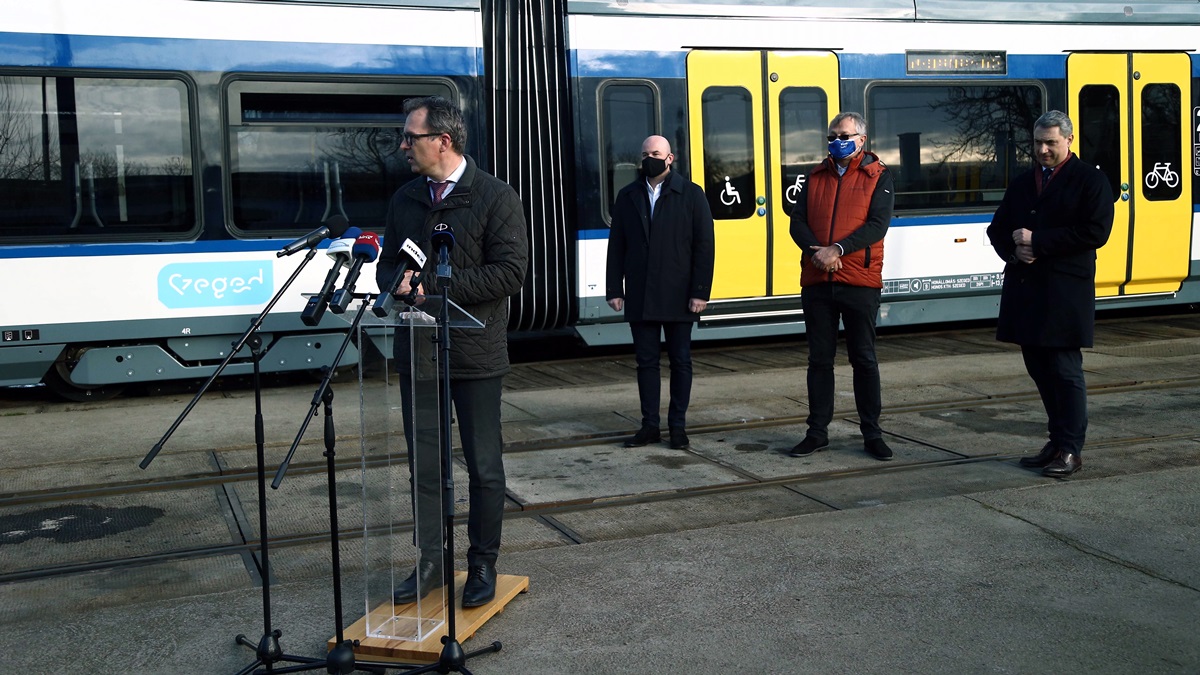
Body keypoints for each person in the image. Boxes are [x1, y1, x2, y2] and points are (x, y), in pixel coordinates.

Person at [375, 96, 528, 607]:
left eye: (410, 137)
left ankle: (482, 565)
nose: (403, 146)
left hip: (475, 353)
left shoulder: (495, 196)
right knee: (424, 465)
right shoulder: (404, 200)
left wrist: (436, 289)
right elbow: (386, 267)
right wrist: (397, 283)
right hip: (417, 351)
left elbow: (510, 273)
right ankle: (432, 563)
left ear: (443, 141)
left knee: (484, 467)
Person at [986, 110, 1113, 478]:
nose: (1042, 149)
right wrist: (1014, 248)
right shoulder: (1025, 181)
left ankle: (1071, 449)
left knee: (1064, 371)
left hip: (1064, 292)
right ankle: (1056, 442)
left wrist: (1038, 241)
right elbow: (998, 228)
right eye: (1038, 143)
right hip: (1027, 291)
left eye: (1050, 143)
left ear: (1069, 141)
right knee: (1039, 368)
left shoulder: (1090, 180)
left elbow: (1095, 232)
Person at [788, 112, 895, 461]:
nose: (836, 141)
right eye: (832, 135)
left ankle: (872, 434)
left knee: (863, 358)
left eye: (844, 135)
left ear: (861, 140)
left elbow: (877, 225)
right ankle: (817, 432)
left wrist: (839, 250)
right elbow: (798, 222)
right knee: (819, 360)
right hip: (818, 279)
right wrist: (817, 252)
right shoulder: (814, 175)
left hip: (859, 281)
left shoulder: (878, 176)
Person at [605, 135, 715, 450]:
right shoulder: (627, 195)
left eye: (656, 153)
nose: (649, 158)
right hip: (640, 293)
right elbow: (617, 246)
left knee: (681, 361)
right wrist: (615, 288)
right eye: (645, 154)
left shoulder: (692, 195)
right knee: (646, 362)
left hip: (680, 294)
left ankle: (677, 427)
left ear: (670, 158)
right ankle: (649, 426)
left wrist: (700, 292)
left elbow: (704, 247)